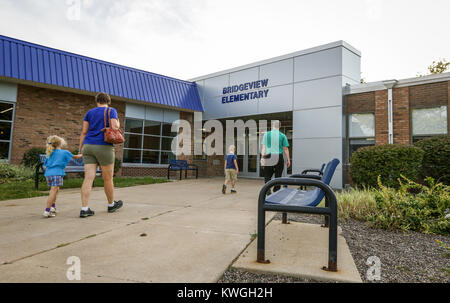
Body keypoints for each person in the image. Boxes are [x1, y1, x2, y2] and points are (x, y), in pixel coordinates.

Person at [78, 92, 123, 218]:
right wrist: (118, 122)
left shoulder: (89, 113)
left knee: (88, 178)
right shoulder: (111, 110)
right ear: (108, 101)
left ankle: (84, 209)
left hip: (88, 146)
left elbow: (84, 132)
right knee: (108, 178)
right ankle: (111, 205)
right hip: (103, 146)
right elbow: (114, 127)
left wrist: (80, 149)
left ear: (96, 100)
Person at [43, 135, 83, 218]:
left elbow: (46, 164)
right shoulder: (64, 152)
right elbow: (76, 157)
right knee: (53, 191)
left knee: (56, 189)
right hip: (57, 173)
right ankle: (47, 210)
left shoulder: (49, 152)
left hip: (48, 174)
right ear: (60, 143)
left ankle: (53, 207)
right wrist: (82, 154)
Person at [260, 120, 290, 193]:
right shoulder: (282, 135)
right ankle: (276, 192)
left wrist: (262, 157)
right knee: (278, 176)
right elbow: (285, 149)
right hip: (278, 156)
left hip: (268, 156)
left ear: (272, 126)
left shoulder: (266, 135)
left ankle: (267, 190)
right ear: (280, 126)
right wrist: (288, 160)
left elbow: (264, 147)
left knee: (267, 175)